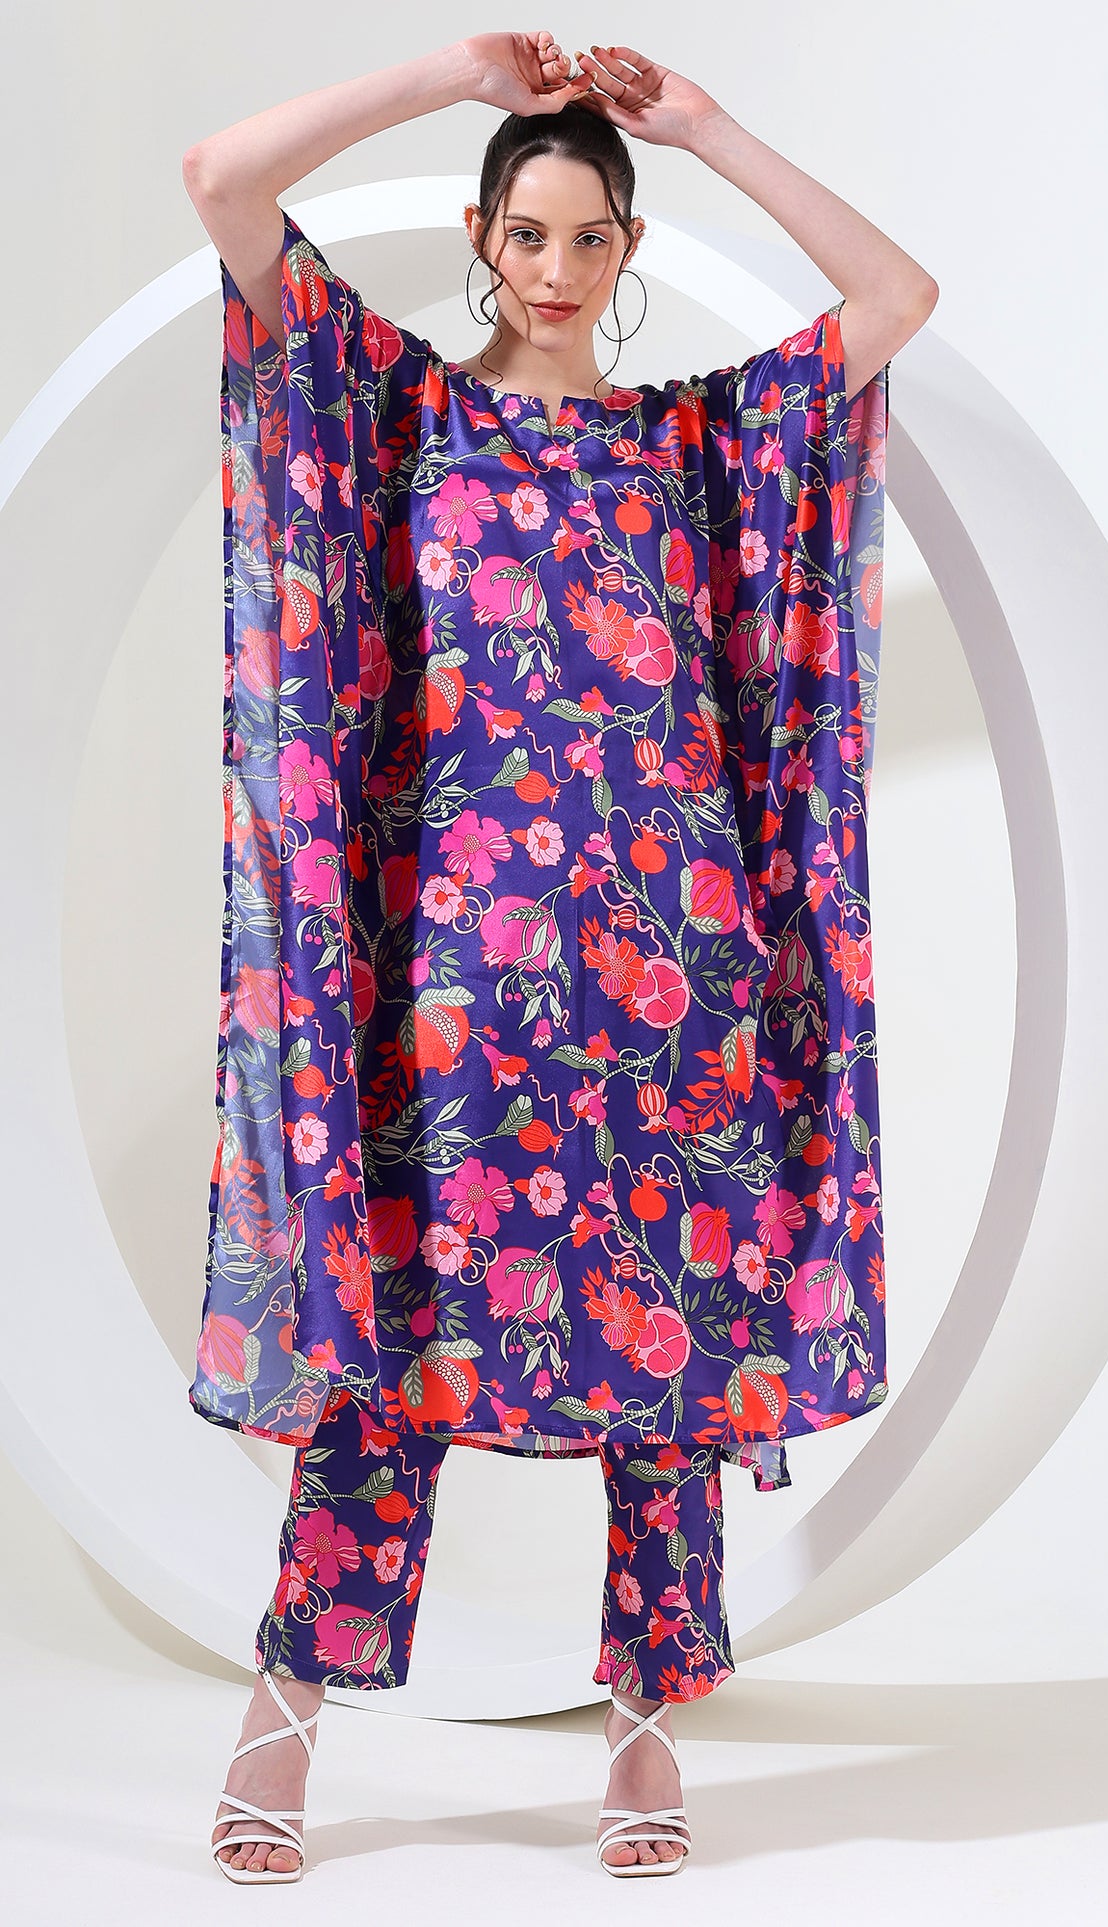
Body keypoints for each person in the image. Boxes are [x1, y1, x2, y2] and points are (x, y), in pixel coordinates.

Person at [185, 27, 934, 1882]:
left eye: (592, 235)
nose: (556, 266)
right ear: (480, 234)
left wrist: (712, 127)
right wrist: (450, 70)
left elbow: (894, 296)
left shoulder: (700, 440)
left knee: (670, 1366)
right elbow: (222, 180)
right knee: (395, 1349)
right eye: (527, 231)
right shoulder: (396, 409)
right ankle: (283, 1723)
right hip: (452, 984)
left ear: (626, 248)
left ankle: (646, 1739)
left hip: (671, 978)